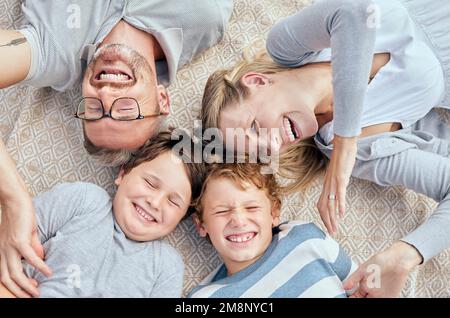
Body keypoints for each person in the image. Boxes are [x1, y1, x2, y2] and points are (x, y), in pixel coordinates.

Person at [200, 0, 450, 297]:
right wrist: (406, 254)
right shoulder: (357, 153)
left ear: (257, 81)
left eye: (254, 127)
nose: (273, 143)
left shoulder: (289, 47)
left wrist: (346, 141)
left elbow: (355, 13)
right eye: (263, 150)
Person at [0, 0, 232, 297]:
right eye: (125, 111)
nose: (107, 94)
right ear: (162, 100)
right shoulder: (204, 17)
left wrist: (13, 199)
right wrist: (15, 199)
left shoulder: (50, 50)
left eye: (94, 108)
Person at [0, 132, 206, 297]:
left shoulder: (166, 267)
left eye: (173, 201)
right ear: (123, 173)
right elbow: (10, 242)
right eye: (150, 183)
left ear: (182, 218)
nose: (155, 202)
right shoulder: (84, 200)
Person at [189, 161, 357, 298]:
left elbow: (364, 287)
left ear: (274, 212)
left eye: (252, 207)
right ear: (201, 225)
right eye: (222, 211)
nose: (238, 221)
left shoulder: (305, 238)